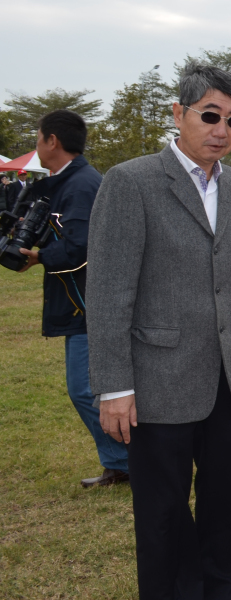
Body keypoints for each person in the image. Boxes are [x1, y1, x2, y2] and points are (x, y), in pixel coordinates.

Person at [88, 62, 231, 600]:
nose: (221, 129)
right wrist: (114, 385)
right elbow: (109, 294)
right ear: (178, 116)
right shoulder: (131, 182)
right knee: (165, 511)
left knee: (230, 497)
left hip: (227, 374)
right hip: (155, 380)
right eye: (209, 116)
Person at [14, 111, 130, 487]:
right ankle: (121, 463)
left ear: (52, 141)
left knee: (86, 388)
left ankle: (132, 461)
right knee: (89, 389)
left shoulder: (82, 185)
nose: (37, 144)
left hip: (90, 303)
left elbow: (81, 246)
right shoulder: (65, 182)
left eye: (38, 137)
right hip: (78, 300)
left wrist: (41, 256)